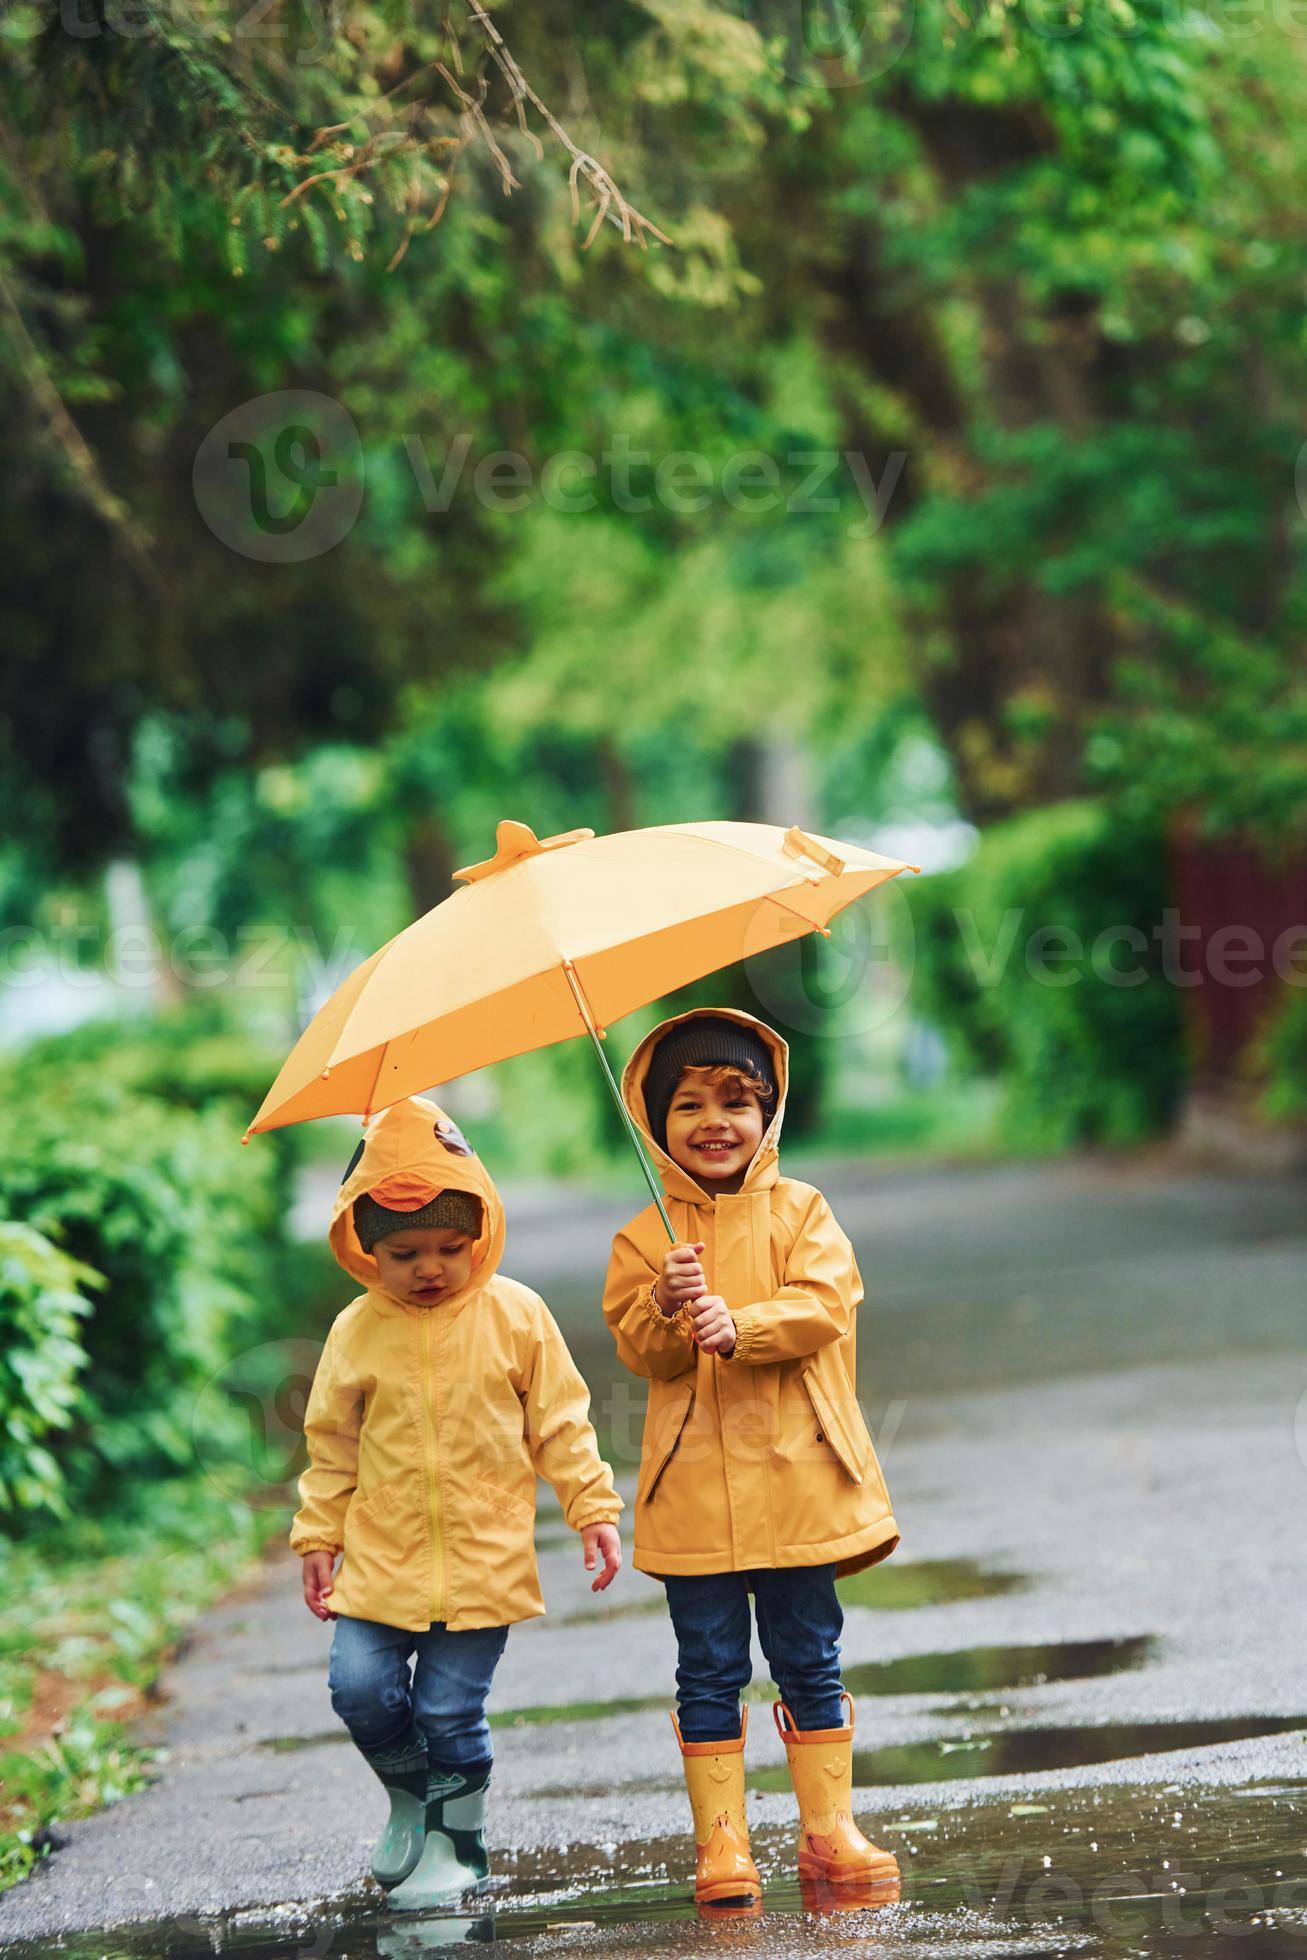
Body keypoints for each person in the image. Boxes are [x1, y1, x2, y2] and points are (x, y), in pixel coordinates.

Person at [292, 1095, 622, 1912]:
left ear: (480, 1234)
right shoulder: (355, 1331)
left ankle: (459, 1841)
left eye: (451, 1246)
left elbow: (560, 1422)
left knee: (448, 1707)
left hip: (481, 1561)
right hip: (380, 1558)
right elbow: (331, 1442)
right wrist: (317, 1535)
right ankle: (413, 1798)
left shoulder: (516, 1316)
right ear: (365, 1248)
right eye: (405, 1252)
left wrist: (592, 1508)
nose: (431, 1267)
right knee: (359, 1689)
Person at [602, 1009, 900, 1909]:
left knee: (810, 1656)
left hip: (801, 1485)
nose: (712, 1122)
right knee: (707, 1666)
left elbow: (826, 1303)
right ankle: (722, 1845)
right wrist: (663, 1302)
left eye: (735, 1100)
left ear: (767, 1113)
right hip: (694, 1493)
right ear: (654, 1124)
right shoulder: (643, 1237)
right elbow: (638, 1349)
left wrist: (745, 1324)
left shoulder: (802, 1211)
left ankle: (828, 1831)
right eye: (686, 1104)